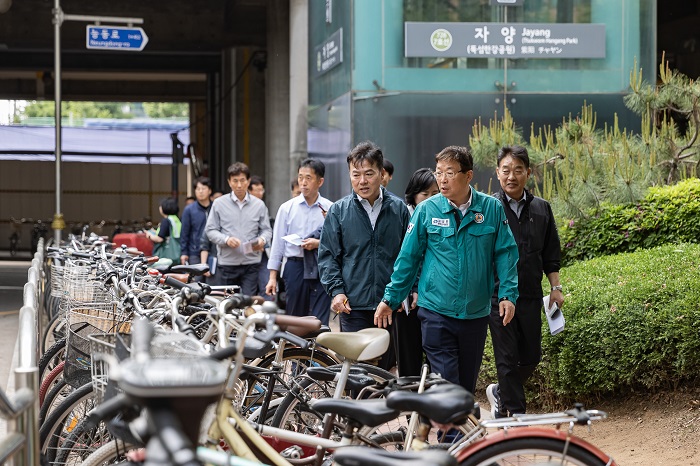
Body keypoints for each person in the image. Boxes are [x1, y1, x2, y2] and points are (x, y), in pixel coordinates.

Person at [374, 145, 519, 395]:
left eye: (449, 173)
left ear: (468, 175)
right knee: (448, 385)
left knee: (465, 388)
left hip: (474, 314)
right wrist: (391, 297)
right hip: (436, 313)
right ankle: (450, 435)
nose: (442, 179)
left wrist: (508, 294)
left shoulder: (491, 209)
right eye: (438, 172)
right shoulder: (426, 210)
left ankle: (454, 432)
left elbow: (506, 252)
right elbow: (407, 259)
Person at [486, 145, 564, 417]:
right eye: (505, 170)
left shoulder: (542, 209)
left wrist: (555, 288)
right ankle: (515, 418)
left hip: (530, 295)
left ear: (528, 173)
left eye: (518, 170)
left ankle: (501, 393)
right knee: (506, 360)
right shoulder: (488, 209)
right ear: (497, 173)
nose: (511, 176)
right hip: (497, 297)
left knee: (531, 357)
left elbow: (551, 254)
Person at [318, 141, 410, 368]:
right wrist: (337, 291)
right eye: (356, 174)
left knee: (386, 369)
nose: (362, 181)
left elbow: (409, 257)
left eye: (369, 174)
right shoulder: (339, 211)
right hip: (353, 304)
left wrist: (403, 293)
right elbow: (328, 256)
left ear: (382, 173)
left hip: (389, 304)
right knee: (358, 370)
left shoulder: (399, 210)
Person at [266, 159, 333, 324]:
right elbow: (277, 245)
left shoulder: (331, 208)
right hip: (295, 266)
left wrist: (318, 244)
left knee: (320, 319)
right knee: (295, 318)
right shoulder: (287, 208)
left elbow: (336, 242)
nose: (303, 183)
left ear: (320, 181)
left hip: (321, 266)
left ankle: (317, 349)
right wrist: (272, 277)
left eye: (308, 178)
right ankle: (295, 350)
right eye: (300, 177)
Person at [392, 168, 441, 376]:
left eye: (435, 193)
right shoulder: (403, 216)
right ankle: (409, 400)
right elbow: (404, 258)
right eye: (425, 194)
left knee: (435, 356)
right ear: (413, 194)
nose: (430, 199)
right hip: (406, 300)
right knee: (408, 356)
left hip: (434, 296)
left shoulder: (444, 216)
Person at [205, 162, 272, 296]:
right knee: (228, 303)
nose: (239, 185)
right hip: (227, 264)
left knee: (247, 302)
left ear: (248, 181)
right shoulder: (219, 204)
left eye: (242, 180)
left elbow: (267, 230)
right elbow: (210, 231)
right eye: (235, 181)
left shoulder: (259, 205)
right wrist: (226, 239)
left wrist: (262, 240)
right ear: (229, 182)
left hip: (251, 262)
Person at [248, 175, 273, 301]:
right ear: (250, 191)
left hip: (263, 254)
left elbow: (267, 230)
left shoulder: (263, 206)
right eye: (257, 190)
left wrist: (262, 242)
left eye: (261, 190)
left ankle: (265, 317)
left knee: (266, 285)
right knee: (248, 290)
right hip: (246, 256)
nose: (260, 193)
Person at [180, 177, 212, 267]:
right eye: (198, 189)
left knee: (213, 280)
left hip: (213, 251)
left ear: (209, 191)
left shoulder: (215, 207)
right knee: (196, 279)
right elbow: (184, 233)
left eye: (203, 189)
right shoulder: (189, 210)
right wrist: (184, 252)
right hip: (194, 252)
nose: (200, 191)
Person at [145, 197, 182, 264]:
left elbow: (160, 239)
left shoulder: (166, 221)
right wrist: (155, 232)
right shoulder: (176, 219)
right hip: (177, 252)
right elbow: (169, 234)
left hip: (167, 255)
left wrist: (149, 235)